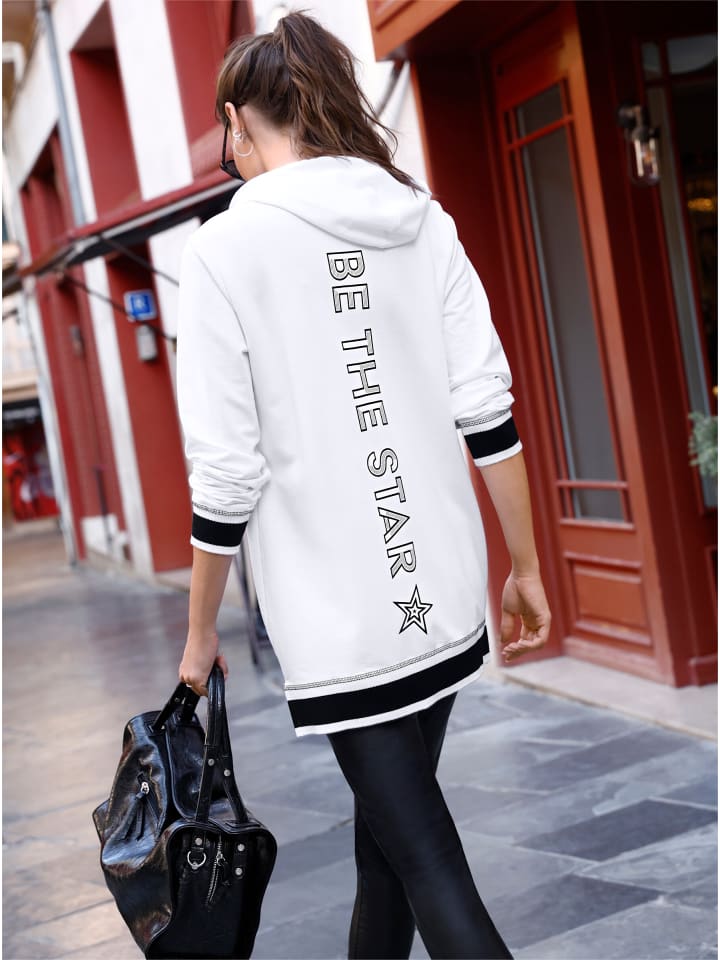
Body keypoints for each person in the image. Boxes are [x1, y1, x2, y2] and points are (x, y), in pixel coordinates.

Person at [175, 11, 551, 960]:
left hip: (339, 621)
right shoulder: (419, 219)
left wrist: (198, 631)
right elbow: (489, 411)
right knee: (387, 853)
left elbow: (225, 471)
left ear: (237, 120)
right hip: (440, 591)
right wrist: (525, 566)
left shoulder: (222, 251)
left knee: (425, 859)